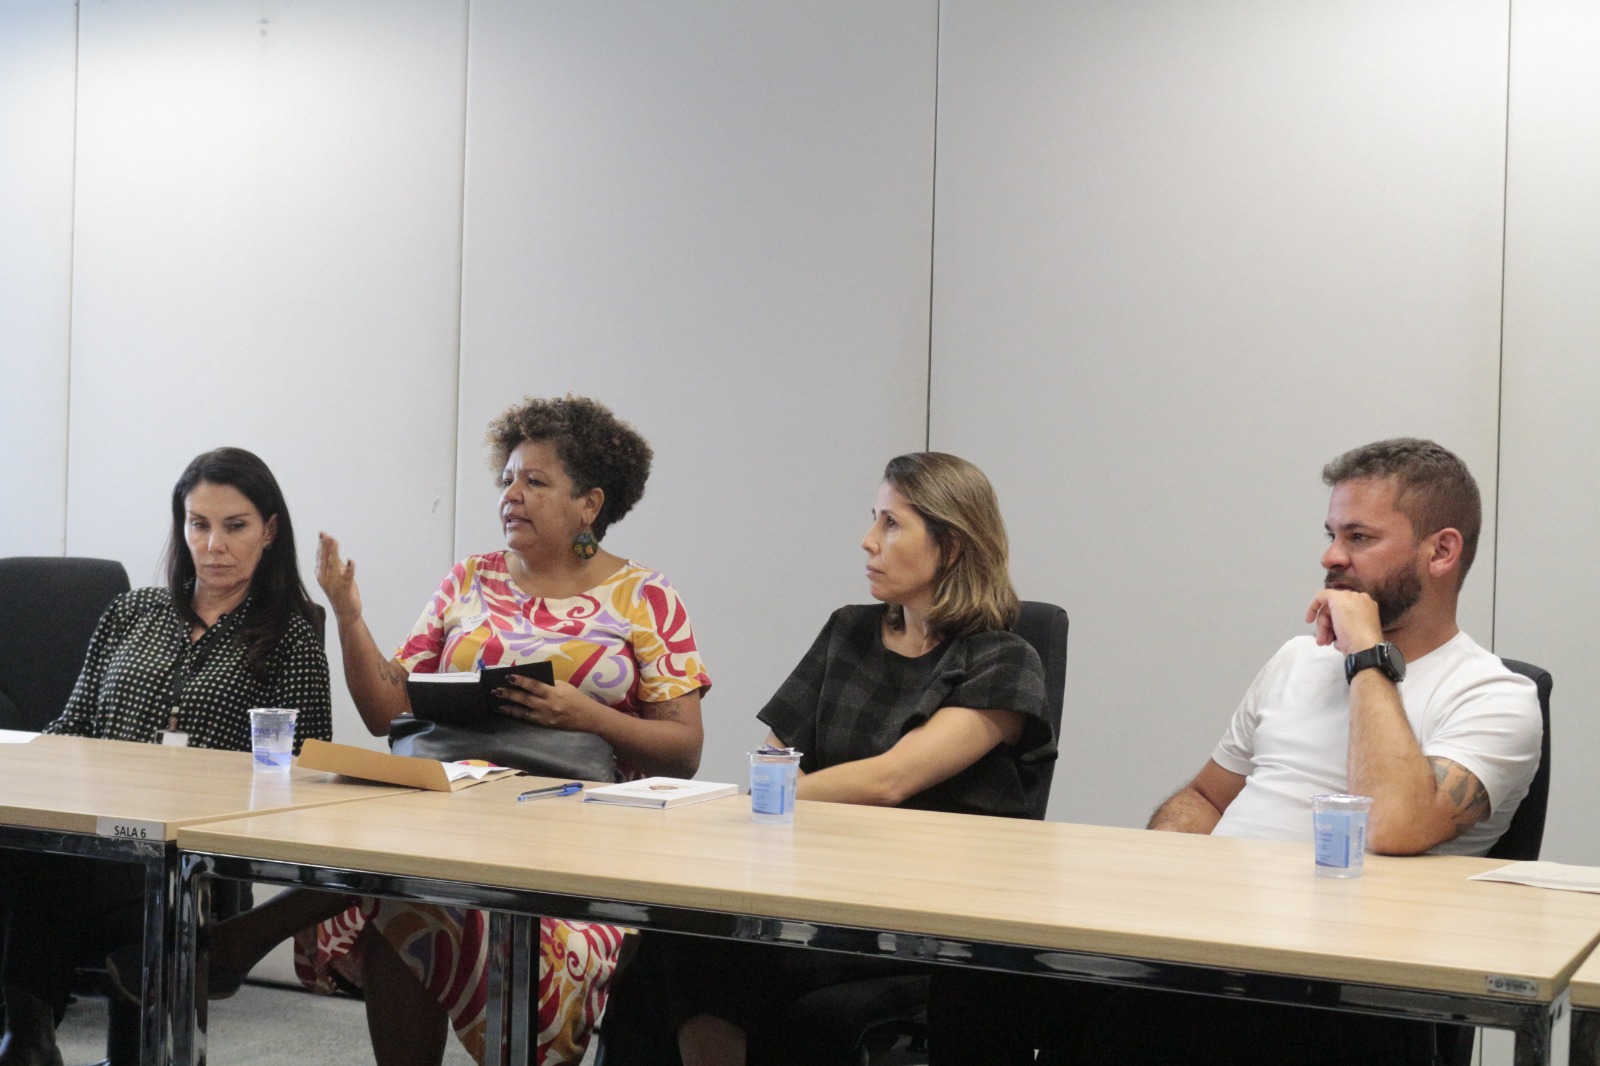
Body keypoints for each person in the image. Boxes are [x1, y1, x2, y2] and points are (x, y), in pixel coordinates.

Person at [927, 437, 1543, 1066]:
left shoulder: (1495, 696)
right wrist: (1162, 889)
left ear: (1441, 551)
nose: (1331, 556)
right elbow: (1205, 797)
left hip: (1338, 987)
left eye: (1359, 538)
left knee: (1147, 1027)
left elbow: (1392, 822)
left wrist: (1366, 655)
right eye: (1331, 534)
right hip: (1209, 947)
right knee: (977, 977)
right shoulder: (1297, 661)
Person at [205, 396, 711, 1066]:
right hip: (452, 800)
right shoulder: (470, 579)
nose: (511, 495)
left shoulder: (645, 596)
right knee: (410, 888)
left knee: (404, 893)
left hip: (573, 830)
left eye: (535, 481)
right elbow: (387, 711)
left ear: (589, 503)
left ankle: (240, 940)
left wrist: (585, 715)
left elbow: (684, 751)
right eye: (507, 478)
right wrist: (349, 614)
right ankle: (240, 941)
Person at [599, 451, 1054, 1066]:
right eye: (873, 519)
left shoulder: (1004, 659)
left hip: (925, 917)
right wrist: (764, 795)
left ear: (950, 545)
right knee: (672, 940)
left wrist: (748, 802)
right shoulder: (849, 630)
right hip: (816, 891)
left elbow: (892, 779)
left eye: (891, 523)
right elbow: (775, 755)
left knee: (703, 953)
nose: (868, 540)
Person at [0, 447, 332, 1066]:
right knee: (35, 839)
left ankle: (33, 1038)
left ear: (269, 531)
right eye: (198, 524)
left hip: (190, 844)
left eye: (234, 526)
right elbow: (71, 727)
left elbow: (305, 768)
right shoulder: (131, 612)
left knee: (86, 858)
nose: (213, 545)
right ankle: (31, 1035)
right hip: (93, 826)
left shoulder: (289, 634)